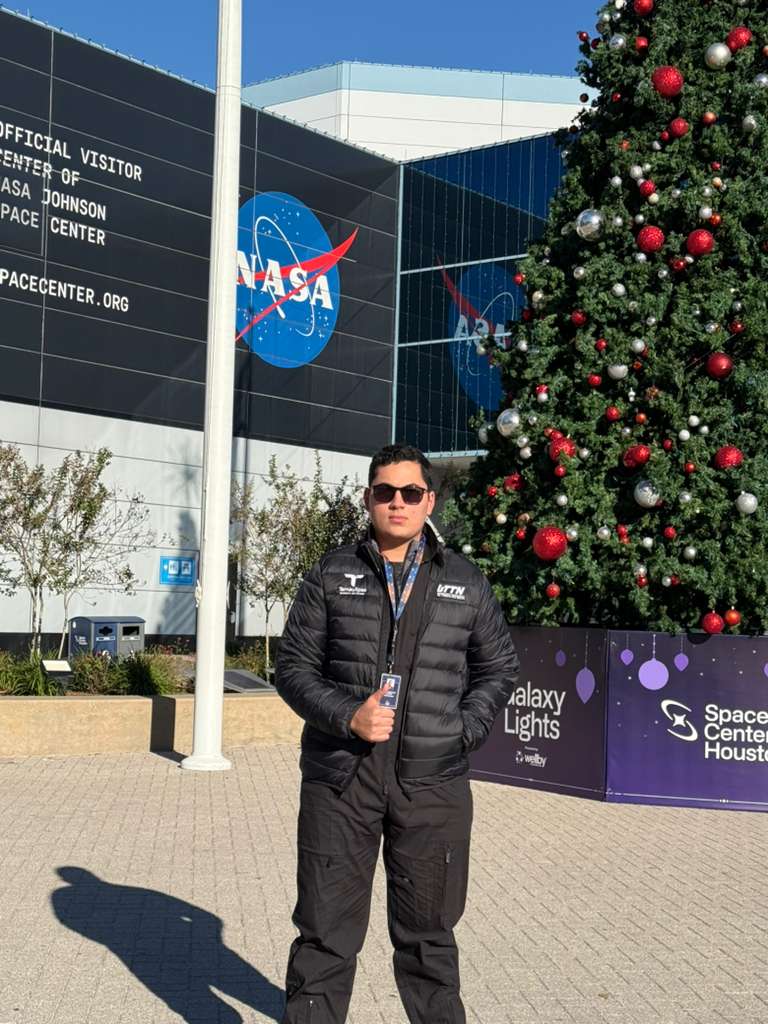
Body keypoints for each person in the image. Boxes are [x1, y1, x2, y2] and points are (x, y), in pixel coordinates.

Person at [275, 443, 519, 1024]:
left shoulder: (464, 580)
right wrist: (346, 715)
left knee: (428, 940)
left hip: (433, 786)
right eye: (385, 491)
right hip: (342, 780)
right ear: (368, 498)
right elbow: (292, 668)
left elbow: (499, 668)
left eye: (411, 492)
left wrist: (460, 731)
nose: (398, 503)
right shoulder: (333, 574)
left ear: (429, 500)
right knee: (324, 934)